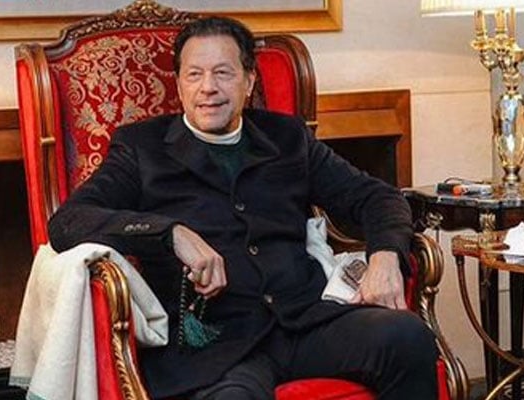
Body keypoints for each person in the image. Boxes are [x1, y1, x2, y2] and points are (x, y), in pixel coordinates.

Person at [48, 16, 438, 400]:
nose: (208, 87)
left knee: (406, 336)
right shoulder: (141, 147)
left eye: (223, 73)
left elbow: (378, 197)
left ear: (249, 81)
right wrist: (171, 234)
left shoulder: (287, 137)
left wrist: (385, 256)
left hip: (305, 323)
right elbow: (68, 222)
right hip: (217, 347)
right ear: (179, 84)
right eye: (194, 74)